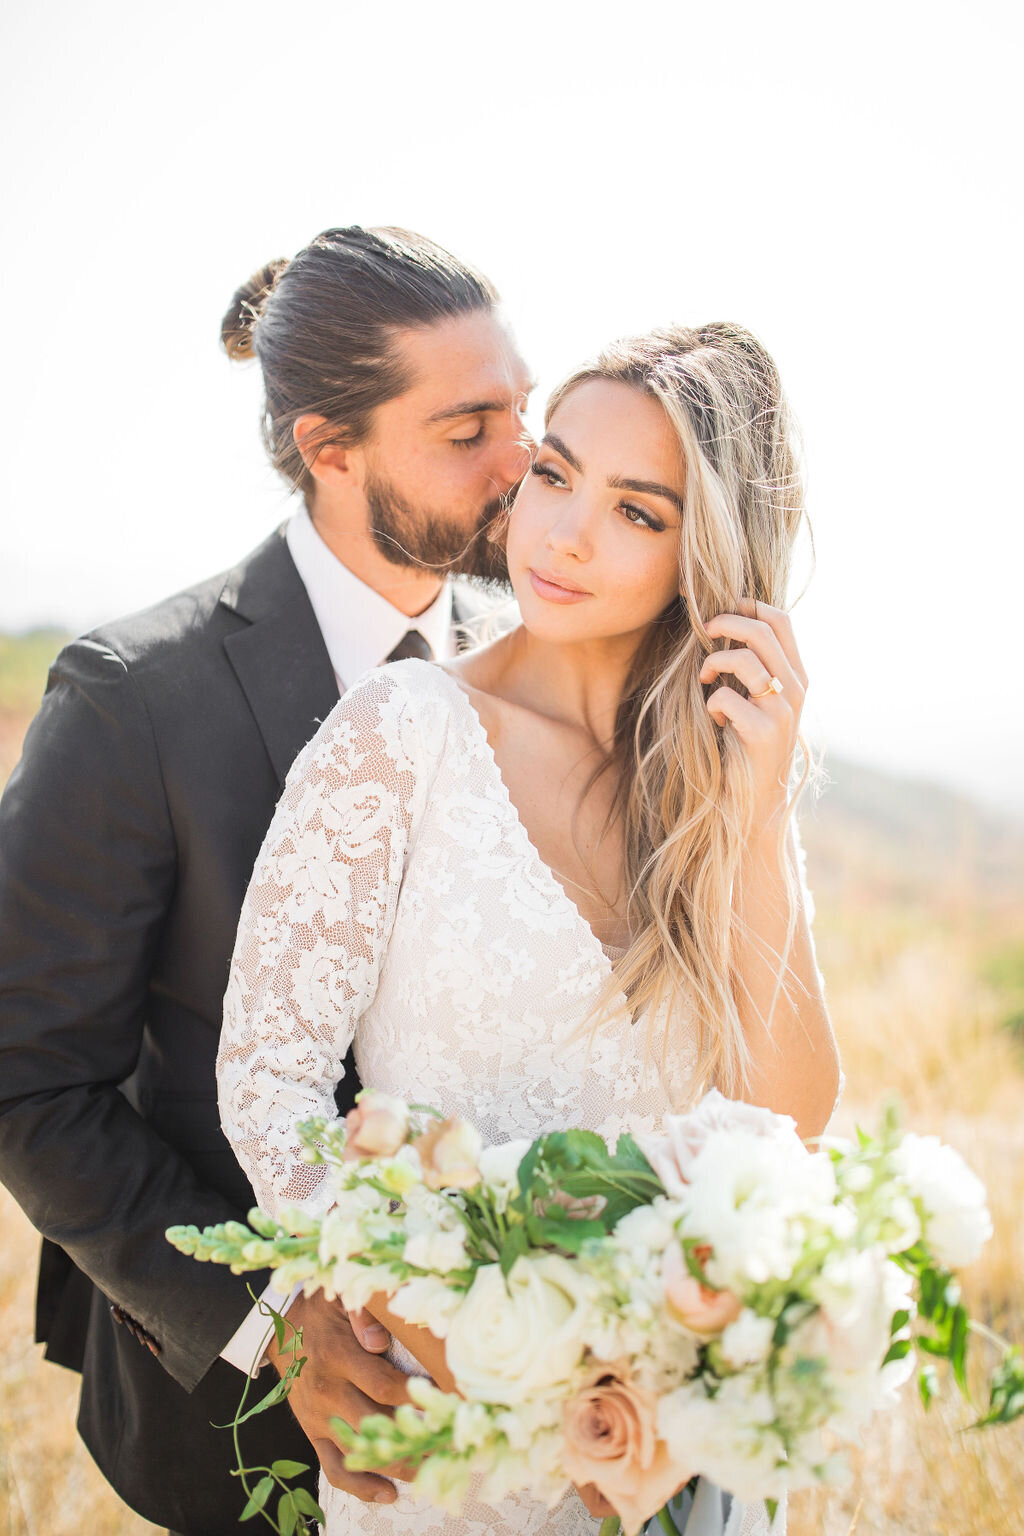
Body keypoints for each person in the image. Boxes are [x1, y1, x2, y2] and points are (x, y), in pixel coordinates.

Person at [217, 321, 842, 1535]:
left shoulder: (723, 789)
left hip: (678, 1446)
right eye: (554, 473)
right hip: (453, 1442)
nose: (561, 533)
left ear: (702, 554)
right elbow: (268, 1077)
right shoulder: (400, 735)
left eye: (635, 511)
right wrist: (400, 1306)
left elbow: (790, 1122)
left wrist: (758, 825)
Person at [0, 224, 533, 1534]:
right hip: (233, 1424)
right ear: (330, 447)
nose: (524, 462)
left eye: (524, 410)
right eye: (469, 428)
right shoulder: (134, 701)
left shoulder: (533, 675)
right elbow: (27, 1075)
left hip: (514, 1406)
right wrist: (268, 1322)